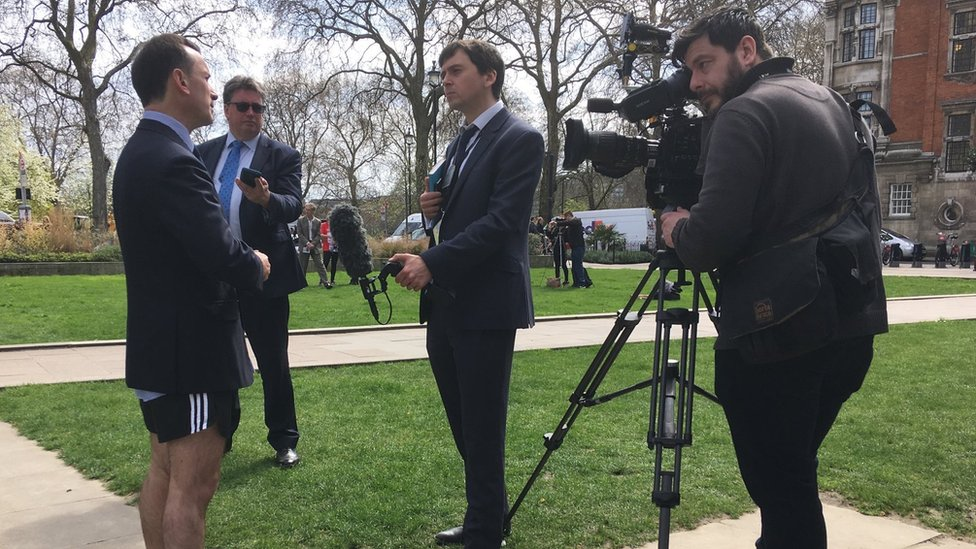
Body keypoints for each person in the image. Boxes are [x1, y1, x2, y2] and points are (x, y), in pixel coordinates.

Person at [660, 8, 888, 549]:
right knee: (793, 478)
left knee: (782, 490)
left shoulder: (742, 114)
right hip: (851, 323)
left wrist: (676, 226)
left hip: (779, 333)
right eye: (690, 71)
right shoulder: (828, 99)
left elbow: (707, 242)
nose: (695, 84)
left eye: (704, 65)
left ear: (746, 49)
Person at [112, 34, 271, 548]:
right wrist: (257, 263)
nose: (211, 89)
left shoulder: (140, 152)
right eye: (205, 78)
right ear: (179, 80)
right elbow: (220, 253)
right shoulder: (175, 160)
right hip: (193, 353)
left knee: (163, 472)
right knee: (192, 487)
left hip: (161, 346)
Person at [390, 39, 544, 549]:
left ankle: (484, 533)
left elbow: (502, 224)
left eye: (455, 71)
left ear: (489, 76)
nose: (446, 81)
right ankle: (488, 516)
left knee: (482, 424)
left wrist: (430, 262)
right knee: (463, 421)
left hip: (486, 305)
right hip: (448, 304)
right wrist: (434, 210)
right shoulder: (461, 143)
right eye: (442, 74)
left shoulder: (520, 138)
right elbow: (463, 216)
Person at [196, 75, 306, 467]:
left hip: (264, 273)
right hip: (217, 275)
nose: (251, 114)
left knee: (273, 360)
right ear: (226, 109)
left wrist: (266, 199)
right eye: (243, 106)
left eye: (258, 107)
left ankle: (284, 440)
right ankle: (222, 435)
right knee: (221, 361)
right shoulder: (203, 154)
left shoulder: (281, 156)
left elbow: (293, 204)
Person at [296, 203, 330, 287]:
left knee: (320, 264)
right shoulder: (300, 220)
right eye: (306, 210)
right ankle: (301, 283)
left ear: (313, 211)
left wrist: (313, 243)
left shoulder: (318, 221)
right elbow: (299, 234)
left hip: (314, 245)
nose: (306, 211)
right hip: (304, 245)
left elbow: (319, 234)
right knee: (303, 265)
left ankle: (326, 282)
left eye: (308, 210)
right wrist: (307, 243)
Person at [556, 211, 592, 288]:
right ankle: (578, 282)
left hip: (579, 247)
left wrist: (558, 223)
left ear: (569, 216)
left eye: (566, 218)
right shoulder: (571, 225)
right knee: (575, 265)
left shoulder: (577, 221)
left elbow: (569, 222)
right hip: (575, 247)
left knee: (578, 265)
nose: (566, 220)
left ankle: (582, 283)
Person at [545, 217, 569, 286]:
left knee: (564, 265)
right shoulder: (556, 229)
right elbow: (550, 236)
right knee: (557, 265)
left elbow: (567, 239)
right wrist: (549, 228)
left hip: (562, 247)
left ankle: (566, 280)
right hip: (556, 247)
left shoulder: (565, 230)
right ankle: (557, 279)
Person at [320, 211, 338, 288]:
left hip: (335, 247)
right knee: (325, 264)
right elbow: (321, 234)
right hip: (327, 247)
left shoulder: (336, 226)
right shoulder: (323, 225)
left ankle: (332, 279)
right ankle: (322, 280)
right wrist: (328, 236)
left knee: (334, 264)